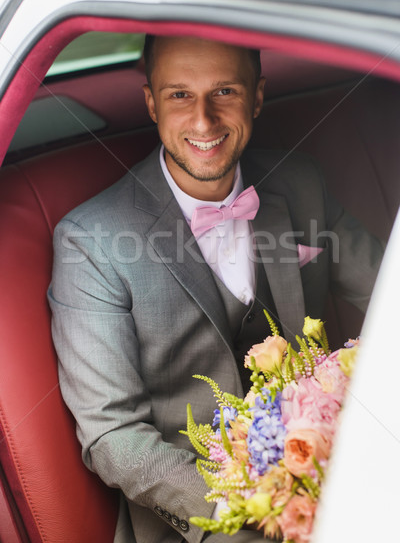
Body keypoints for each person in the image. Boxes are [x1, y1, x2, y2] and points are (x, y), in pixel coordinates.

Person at [48, 36, 384, 543]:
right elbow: (113, 436)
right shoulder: (90, 240)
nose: (204, 121)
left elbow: (388, 300)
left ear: (257, 96)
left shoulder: (301, 182)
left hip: (335, 475)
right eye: (180, 95)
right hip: (197, 520)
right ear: (151, 103)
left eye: (224, 91)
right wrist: (244, 512)